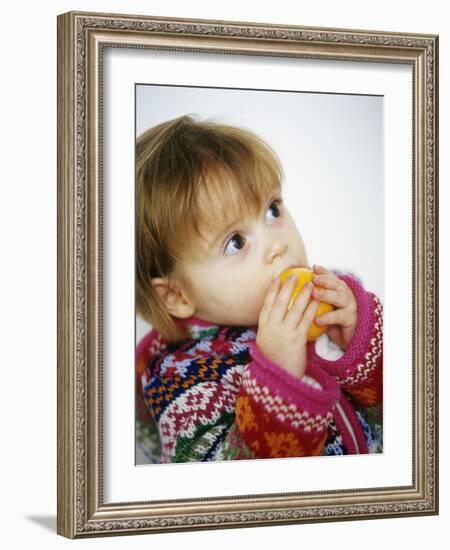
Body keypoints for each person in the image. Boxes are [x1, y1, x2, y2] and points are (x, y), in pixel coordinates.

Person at [135, 114, 383, 464]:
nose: (277, 245)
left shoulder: (333, 301)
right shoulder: (182, 381)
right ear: (177, 296)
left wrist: (362, 339)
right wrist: (277, 377)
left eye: (272, 210)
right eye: (235, 242)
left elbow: (406, 410)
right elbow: (231, 492)